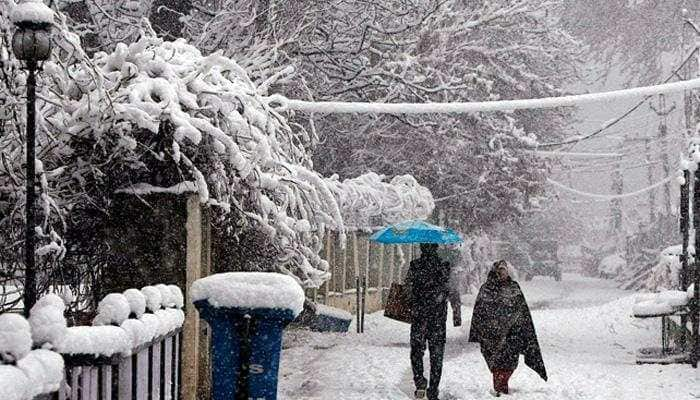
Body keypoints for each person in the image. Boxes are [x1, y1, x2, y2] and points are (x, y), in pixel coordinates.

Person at [468, 260, 547, 396]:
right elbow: (479, 311)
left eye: (504, 271)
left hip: (512, 334)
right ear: (495, 272)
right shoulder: (486, 289)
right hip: (491, 336)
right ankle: (500, 388)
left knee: (509, 363)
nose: (503, 274)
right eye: (500, 271)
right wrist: (485, 328)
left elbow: (522, 308)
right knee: (496, 363)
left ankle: (501, 386)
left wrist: (521, 326)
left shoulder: (514, 287)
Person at [405, 243, 462, 400]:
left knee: (417, 351)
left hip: (419, 317)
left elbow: (407, 290)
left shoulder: (415, 266)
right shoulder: (444, 267)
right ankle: (434, 389)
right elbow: (453, 290)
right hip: (437, 318)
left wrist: (414, 303)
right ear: (436, 249)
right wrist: (456, 313)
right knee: (436, 355)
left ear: (422, 249)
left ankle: (420, 383)